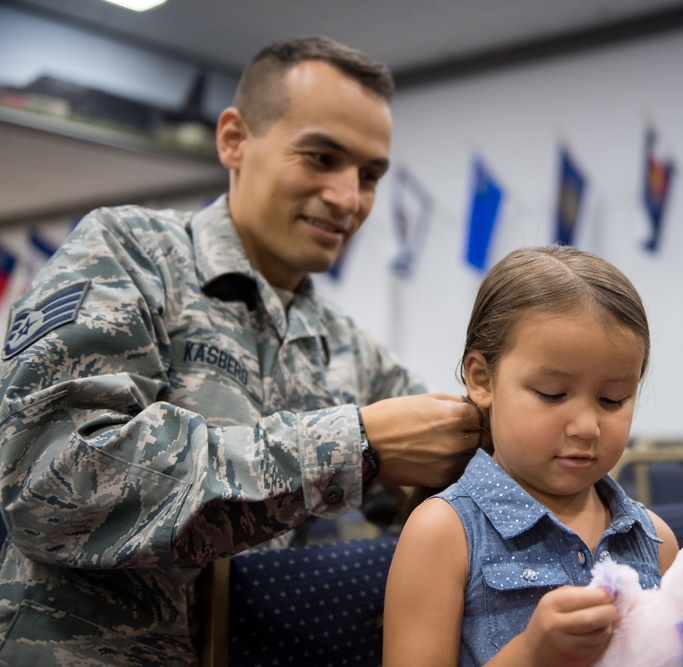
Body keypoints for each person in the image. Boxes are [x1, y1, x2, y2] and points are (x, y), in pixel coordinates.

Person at [0, 36, 483, 665]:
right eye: (321, 157)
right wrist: (354, 446)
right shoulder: (129, 255)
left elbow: (470, 478)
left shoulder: (347, 347)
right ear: (233, 140)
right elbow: (50, 482)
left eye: (368, 175)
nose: (348, 197)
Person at [383, 245, 679, 667]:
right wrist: (531, 655)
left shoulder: (656, 540)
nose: (586, 427)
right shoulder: (443, 534)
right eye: (552, 394)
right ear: (482, 379)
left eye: (613, 400)